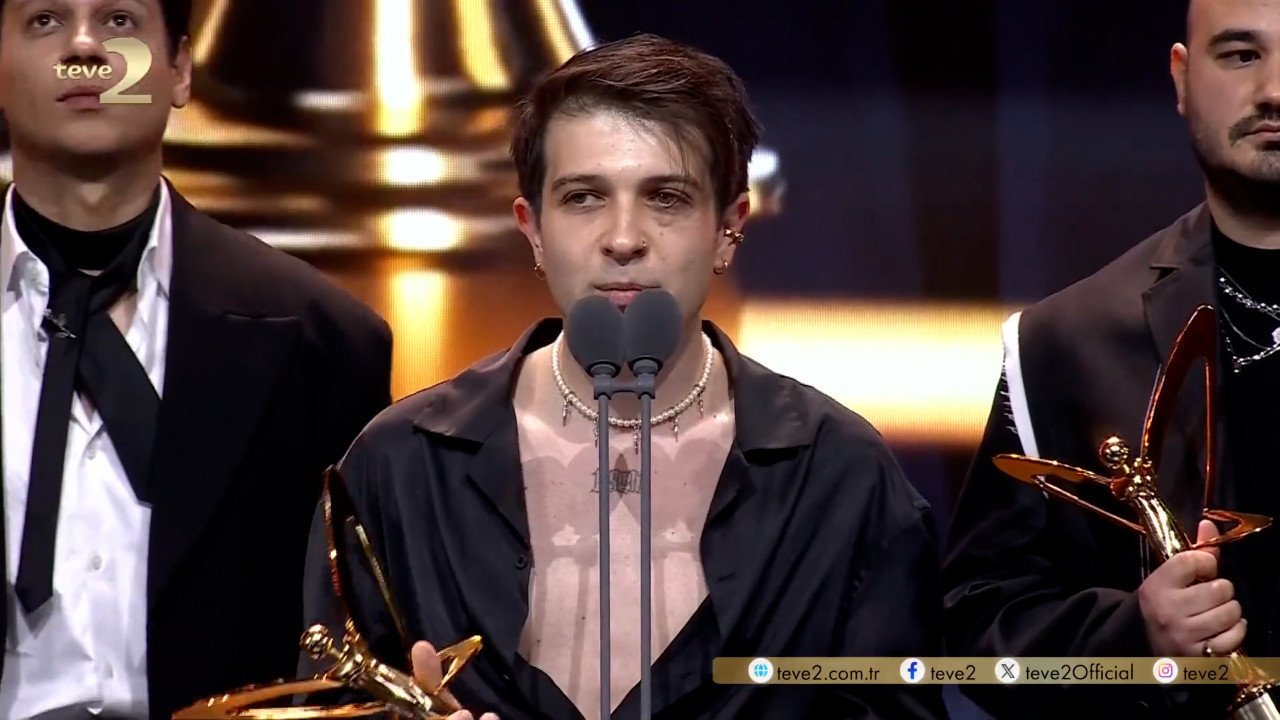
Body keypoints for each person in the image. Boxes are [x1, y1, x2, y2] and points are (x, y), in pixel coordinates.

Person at [300, 33, 948, 720]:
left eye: (666, 197)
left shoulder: (841, 477)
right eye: (584, 197)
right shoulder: (399, 466)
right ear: (533, 229)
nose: (623, 238)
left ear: (729, 228)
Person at [0, 0, 393, 718]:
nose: (84, 48)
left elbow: (355, 643)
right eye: (45, 20)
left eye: (119, 21)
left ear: (179, 69)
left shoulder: (323, 343)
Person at [944, 0, 1280, 717]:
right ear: (1182, 78)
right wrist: (1134, 640)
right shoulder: (1066, 342)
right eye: (1241, 55)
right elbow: (983, 631)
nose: (1274, 90)